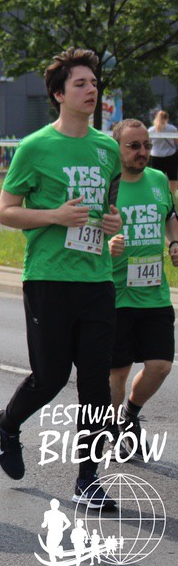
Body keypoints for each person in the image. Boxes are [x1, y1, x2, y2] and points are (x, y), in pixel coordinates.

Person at [0, 47, 122, 510]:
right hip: (48, 277)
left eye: (94, 83)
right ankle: (8, 423)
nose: (91, 90)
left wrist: (113, 223)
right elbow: (5, 212)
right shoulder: (35, 147)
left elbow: (108, 210)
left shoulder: (108, 148)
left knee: (96, 385)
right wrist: (54, 216)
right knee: (50, 377)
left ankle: (87, 479)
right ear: (58, 94)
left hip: (97, 279)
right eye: (80, 84)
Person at [106, 119, 176, 461]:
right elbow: (86, 230)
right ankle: (110, 429)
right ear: (117, 149)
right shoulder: (108, 187)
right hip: (116, 295)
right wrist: (107, 246)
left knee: (160, 365)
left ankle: (130, 415)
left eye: (146, 145)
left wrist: (174, 241)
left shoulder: (159, 179)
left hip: (154, 293)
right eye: (134, 146)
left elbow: (170, 216)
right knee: (117, 372)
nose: (143, 152)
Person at [149, 110, 178, 195]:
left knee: (156, 178)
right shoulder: (172, 129)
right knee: (173, 178)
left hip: (156, 156)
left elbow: (148, 143)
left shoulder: (151, 130)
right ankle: (172, 195)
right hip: (170, 155)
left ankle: (159, 194)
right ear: (167, 118)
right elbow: (176, 142)